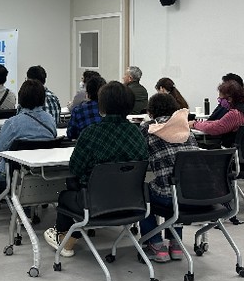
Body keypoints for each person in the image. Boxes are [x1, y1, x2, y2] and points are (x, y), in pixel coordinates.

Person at [44, 81, 148, 257]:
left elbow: (75, 168)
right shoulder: (137, 133)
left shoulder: (91, 133)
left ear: (102, 106)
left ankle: (66, 241)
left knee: (65, 195)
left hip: (95, 203)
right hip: (132, 203)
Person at [0, 80, 57, 224]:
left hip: (13, 176)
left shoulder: (13, 123)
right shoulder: (50, 120)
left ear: (21, 98)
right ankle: (26, 211)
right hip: (40, 174)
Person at [139, 93, 201, 262]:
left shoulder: (148, 129)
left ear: (150, 112)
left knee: (143, 192)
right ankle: (176, 244)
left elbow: (139, 155)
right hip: (195, 193)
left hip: (169, 196)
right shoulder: (185, 128)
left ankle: (155, 244)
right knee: (175, 183)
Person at [190, 80, 244, 147]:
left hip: (240, 153)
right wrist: (202, 123)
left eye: (221, 99)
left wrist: (195, 124)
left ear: (229, 99)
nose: (220, 102)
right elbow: (221, 123)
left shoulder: (235, 114)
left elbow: (215, 128)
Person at [66, 75, 106, 140]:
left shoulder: (78, 110)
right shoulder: (110, 109)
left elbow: (71, 134)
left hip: (85, 144)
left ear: (87, 93)